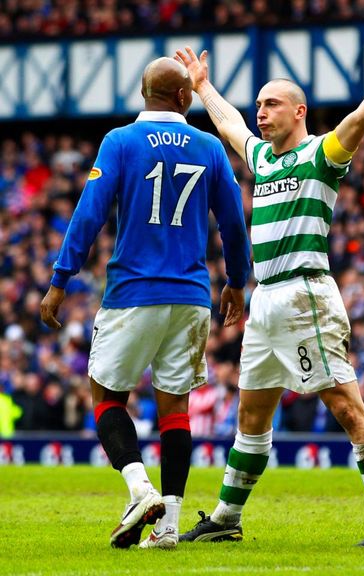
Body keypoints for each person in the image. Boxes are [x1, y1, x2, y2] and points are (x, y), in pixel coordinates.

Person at [176, 24, 364, 548]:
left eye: (271, 104)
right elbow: (230, 126)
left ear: (299, 112)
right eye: (259, 104)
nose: (261, 112)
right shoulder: (264, 159)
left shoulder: (322, 154)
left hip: (305, 295)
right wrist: (202, 87)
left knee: (342, 402)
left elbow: (362, 117)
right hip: (265, 301)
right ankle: (227, 517)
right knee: (251, 412)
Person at [40, 57, 250, 550]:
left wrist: (59, 278)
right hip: (193, 296)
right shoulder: (210, 147)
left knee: (106, 395)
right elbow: (233, 224)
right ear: (184, 97)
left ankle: (139, 490)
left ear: (143, 93)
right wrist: (236, 281)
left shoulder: (120, 141)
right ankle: (170, 525)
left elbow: (89, 213)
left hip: (134, 291)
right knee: (175, 407)